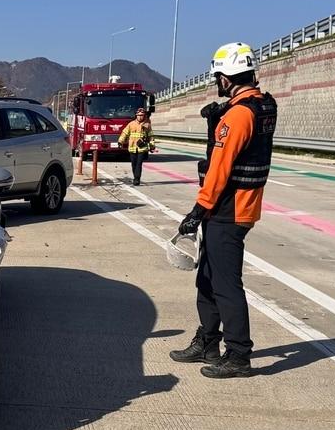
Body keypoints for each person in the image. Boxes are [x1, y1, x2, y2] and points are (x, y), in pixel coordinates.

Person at [170, 42, 276, 379]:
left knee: (226, 284)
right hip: (235, 205)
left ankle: (239, 354)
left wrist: (198, 210)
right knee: (207, 277)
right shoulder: (258, 105)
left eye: (218, 76)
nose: (217, 82)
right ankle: (208, 341)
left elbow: (220, 167)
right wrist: (215, 123)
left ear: (227, 78)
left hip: (229, 208)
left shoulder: (239, 115)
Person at [116, 106, 155, 185]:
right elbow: (125, 133)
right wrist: (120, 141)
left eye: (142, 115)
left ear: (144, 116)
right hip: (132, 147)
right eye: (139, 115)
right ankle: (135, 177)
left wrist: (152, 146)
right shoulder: (131, 124)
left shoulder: (147, 125)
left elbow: (151, 136)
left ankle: (137, 179)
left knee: (139, 164)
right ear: (136, 116)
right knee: (134, 164)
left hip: (142, 148)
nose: (140, 117)